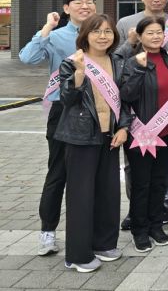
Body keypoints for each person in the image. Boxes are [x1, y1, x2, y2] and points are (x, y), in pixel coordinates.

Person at [19, 0, 96, 256]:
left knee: (91, 175)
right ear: (66, 9)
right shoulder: (57, 36)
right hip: (63, 110)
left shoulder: (103, 33)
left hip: (98, 110)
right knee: (58, 172)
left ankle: (91, 231)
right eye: (78, 2)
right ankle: (47, 232)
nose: (85, 6)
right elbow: (27, 57)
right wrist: (46, 28)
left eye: (89, 2)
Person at [55, 14, 130, 272]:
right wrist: (78, 74)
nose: (103, 36)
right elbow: (66, 100)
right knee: (81, 196)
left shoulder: (117, 61)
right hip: (80, 138)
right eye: (96, 31)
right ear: (85, 35)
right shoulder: (73, 61)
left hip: (109, 137)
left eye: (108, 31)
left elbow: (125, 100)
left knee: (108, 193)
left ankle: (104, 243)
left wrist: (124, 128)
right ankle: (77, 255)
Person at [116, 0, 168, 230]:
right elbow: (117, 60)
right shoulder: (125, 23)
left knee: (165, 164)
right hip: (137, 110)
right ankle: (135, 212)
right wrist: (132, 40)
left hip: (165, 109)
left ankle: (163, 207)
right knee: (134, 167)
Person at [118, 17, 168, 253]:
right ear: (140, 36)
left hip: (164, 131)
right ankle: (139, 230)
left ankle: (156, 225)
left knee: (159, 181)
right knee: (141, 183)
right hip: (140, 133)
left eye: (159, 33)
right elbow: (126, 95)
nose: (155, 37)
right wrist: (139, 70)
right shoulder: (132, 61)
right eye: (150, 33)